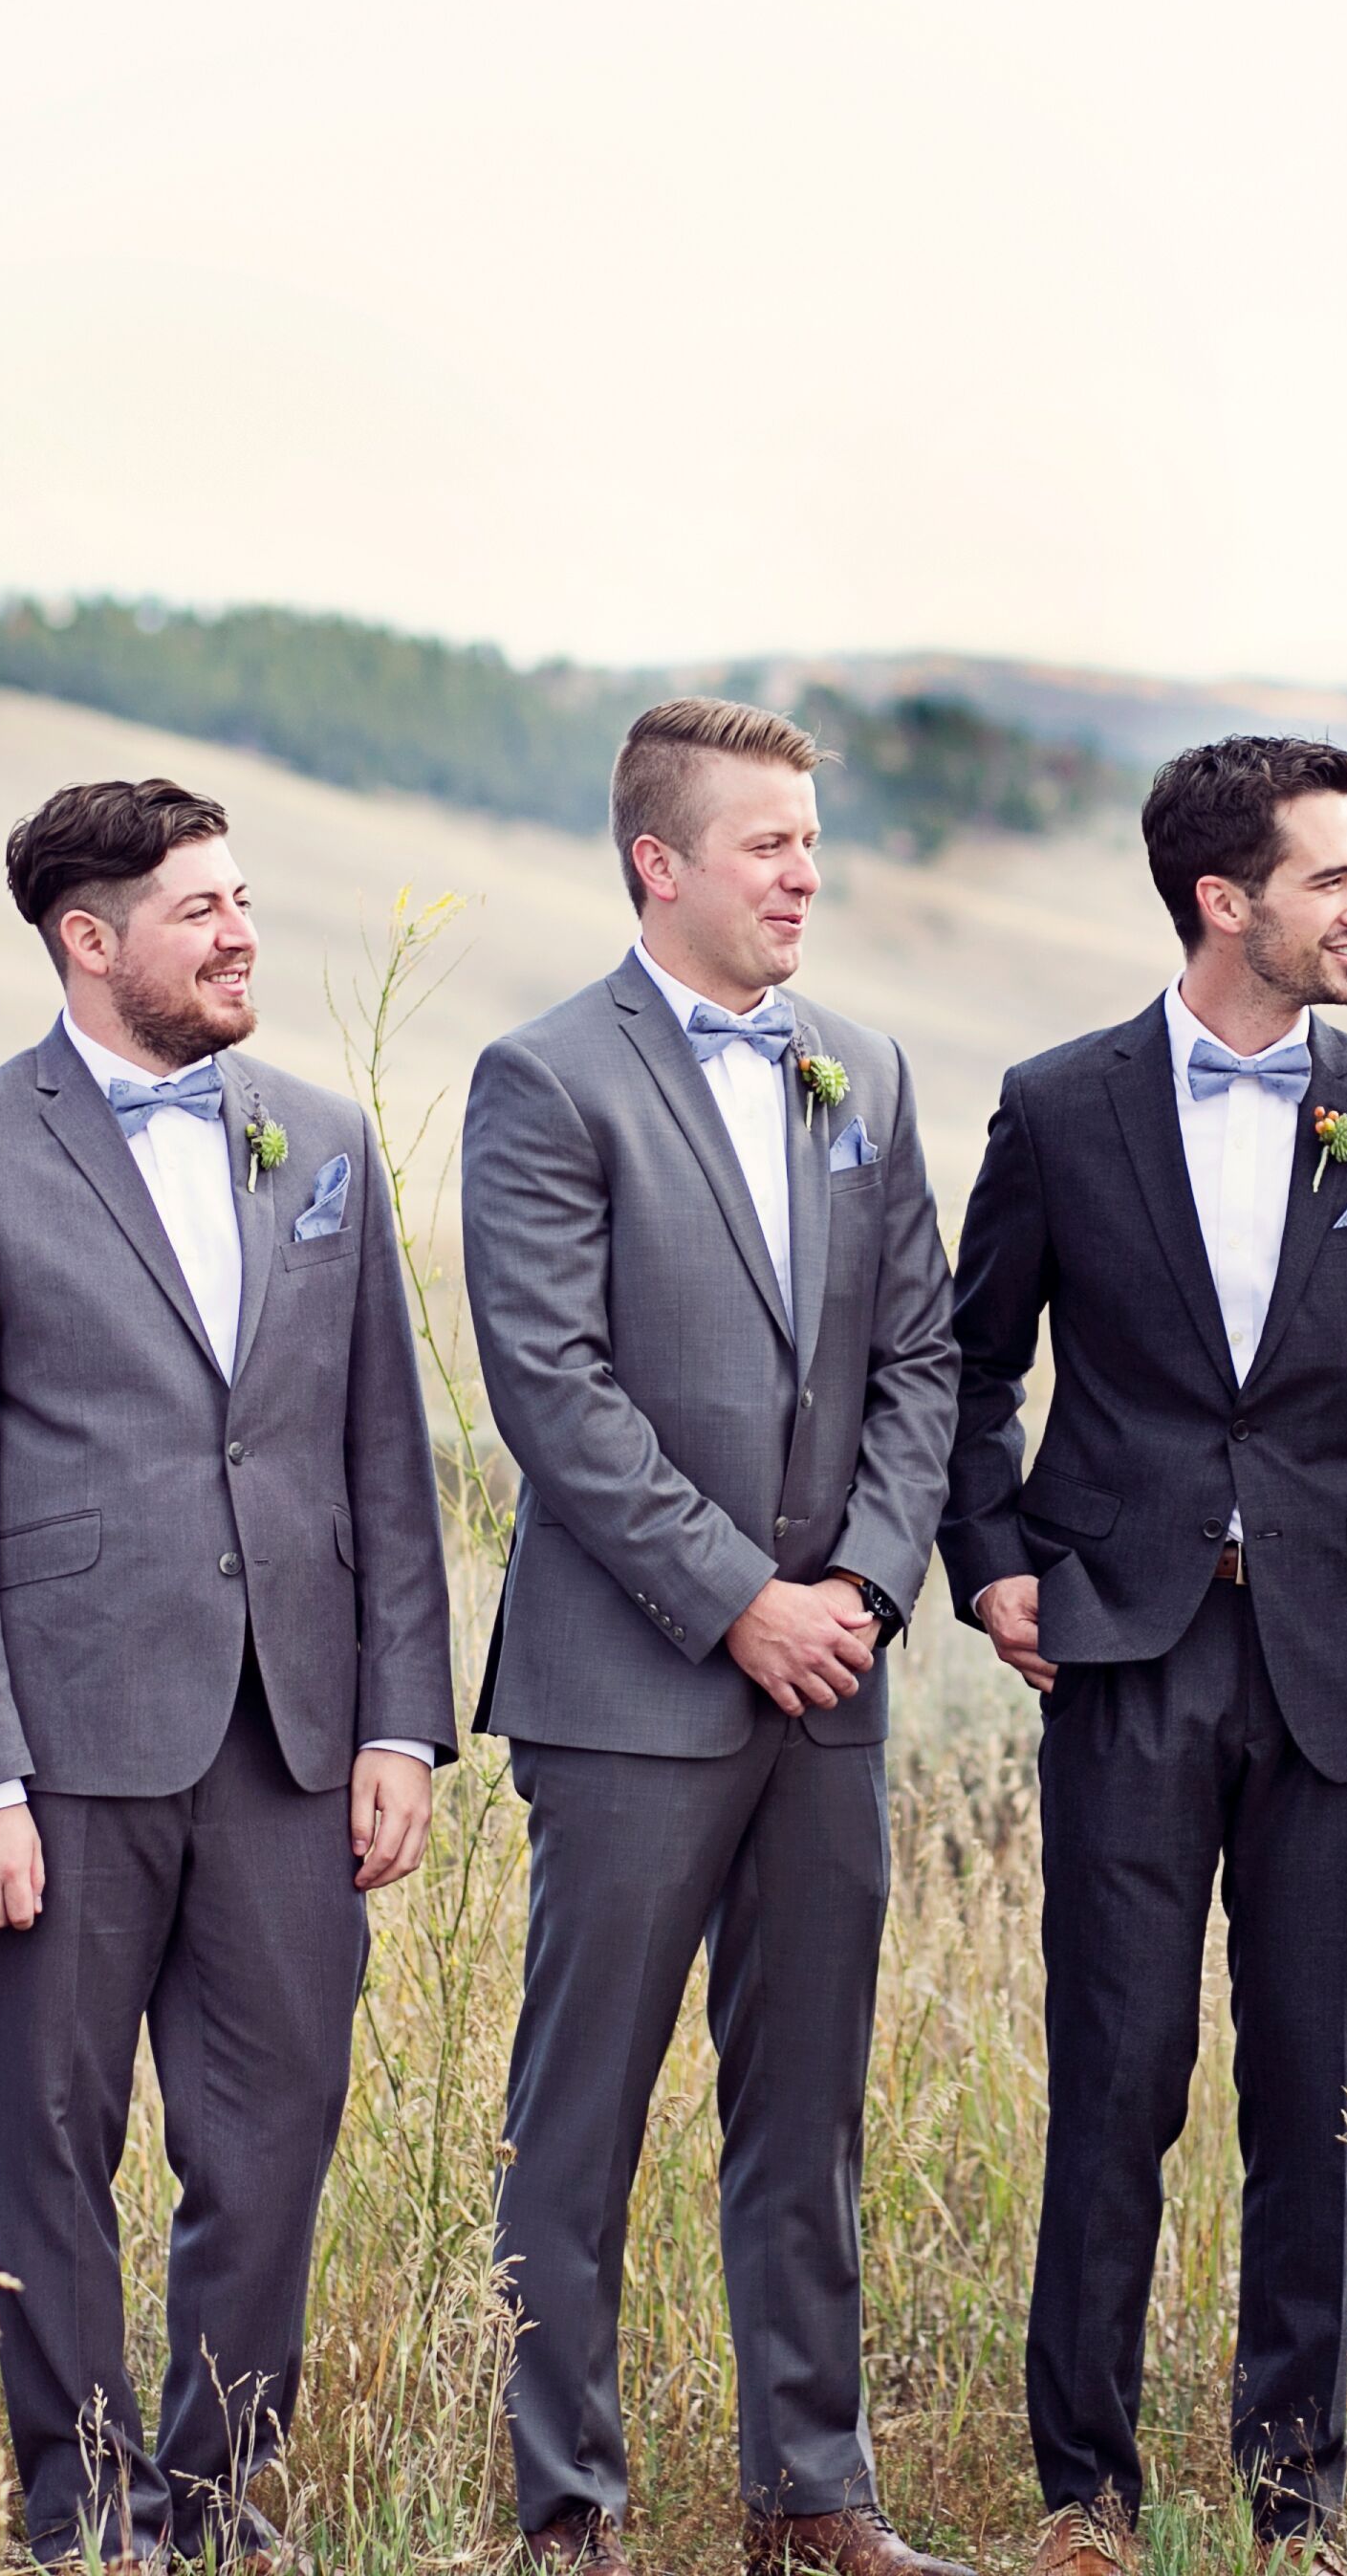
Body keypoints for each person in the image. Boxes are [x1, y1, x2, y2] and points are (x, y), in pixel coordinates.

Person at [0, 776, 457, 2567]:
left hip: (291, 1740)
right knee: (54, 2150)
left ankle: (214, 2505)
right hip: (61, 1755)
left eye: (245, 899)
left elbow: (383, 1464)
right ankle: (77, 2517)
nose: (241, 932)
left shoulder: (322, 1137)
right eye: (201, 908)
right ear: (89, 939)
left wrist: (403, 1724)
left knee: (275, 2141)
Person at [942, 735, 1347, 2576]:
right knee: (1117, 2074)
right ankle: (1083, 2495)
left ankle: (1296, 2500)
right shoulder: (1059, 1101)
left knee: (1309, 2094)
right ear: (1224, 901)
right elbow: (973, 1368)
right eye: (1334, 876)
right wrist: (991, 1560)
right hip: (1124, 1646)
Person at [463, 698, 967, 2576]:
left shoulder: (867, 1070)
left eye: (812, 846)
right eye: (768, 844)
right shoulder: (547, 1077)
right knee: (578, 2112)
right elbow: (555, 1390)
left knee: (807, 2112)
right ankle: (567, 2510)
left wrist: (862, 1592)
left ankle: (810, 2496)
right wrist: (734, 1597)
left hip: (829, 1686)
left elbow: (923, 1359)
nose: (804, 875)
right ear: (658, 863)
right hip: (629, 1688)